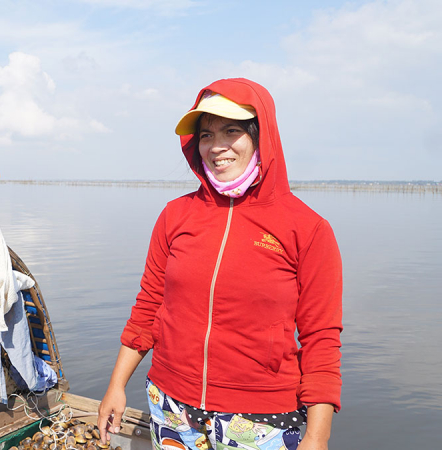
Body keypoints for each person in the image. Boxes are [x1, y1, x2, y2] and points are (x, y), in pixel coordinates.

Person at [97, 78, 342, 450]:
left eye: (232, 131)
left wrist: (317, 437)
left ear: (262, 136)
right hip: (171, 407)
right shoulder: (175, 216)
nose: (217, 147)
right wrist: (116, 386)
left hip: (261, 418)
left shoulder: (307, 229)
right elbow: (148, 307)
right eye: (207, 135)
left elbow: (321, 338)